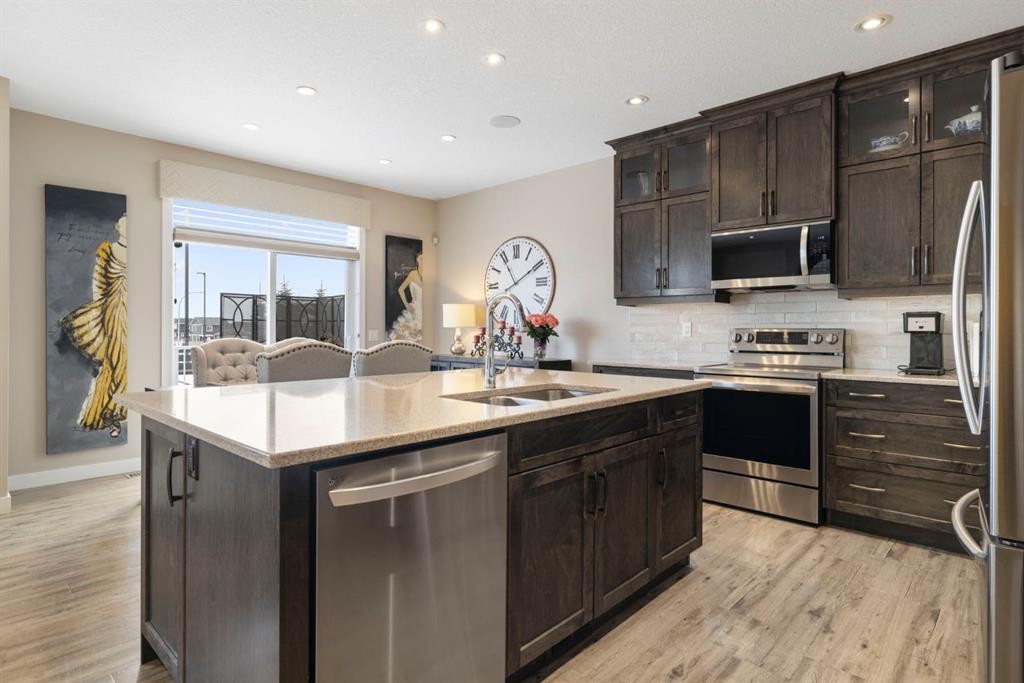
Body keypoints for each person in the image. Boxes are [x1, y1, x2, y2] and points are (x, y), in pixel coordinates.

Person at [60, 213, 128, 437]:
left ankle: (114, 411)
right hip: (112, 313)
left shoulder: (142, 253)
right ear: (117, 226)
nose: (128, 227)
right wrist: (98, 316)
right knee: (115, 362)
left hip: (134, 317)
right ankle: (109, 412)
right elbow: (98, 285)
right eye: (124, 223)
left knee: (127, 365)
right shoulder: (106, 250)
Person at [389, 252, 423, 342]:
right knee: (407, 337)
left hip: (424, 311)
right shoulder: (413, 274)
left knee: (419, 339)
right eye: (420, 259)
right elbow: (400, 289)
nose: (422, 261)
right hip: (414, 308)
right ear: (417, 261)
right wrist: (406, 304)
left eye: (424, 259)